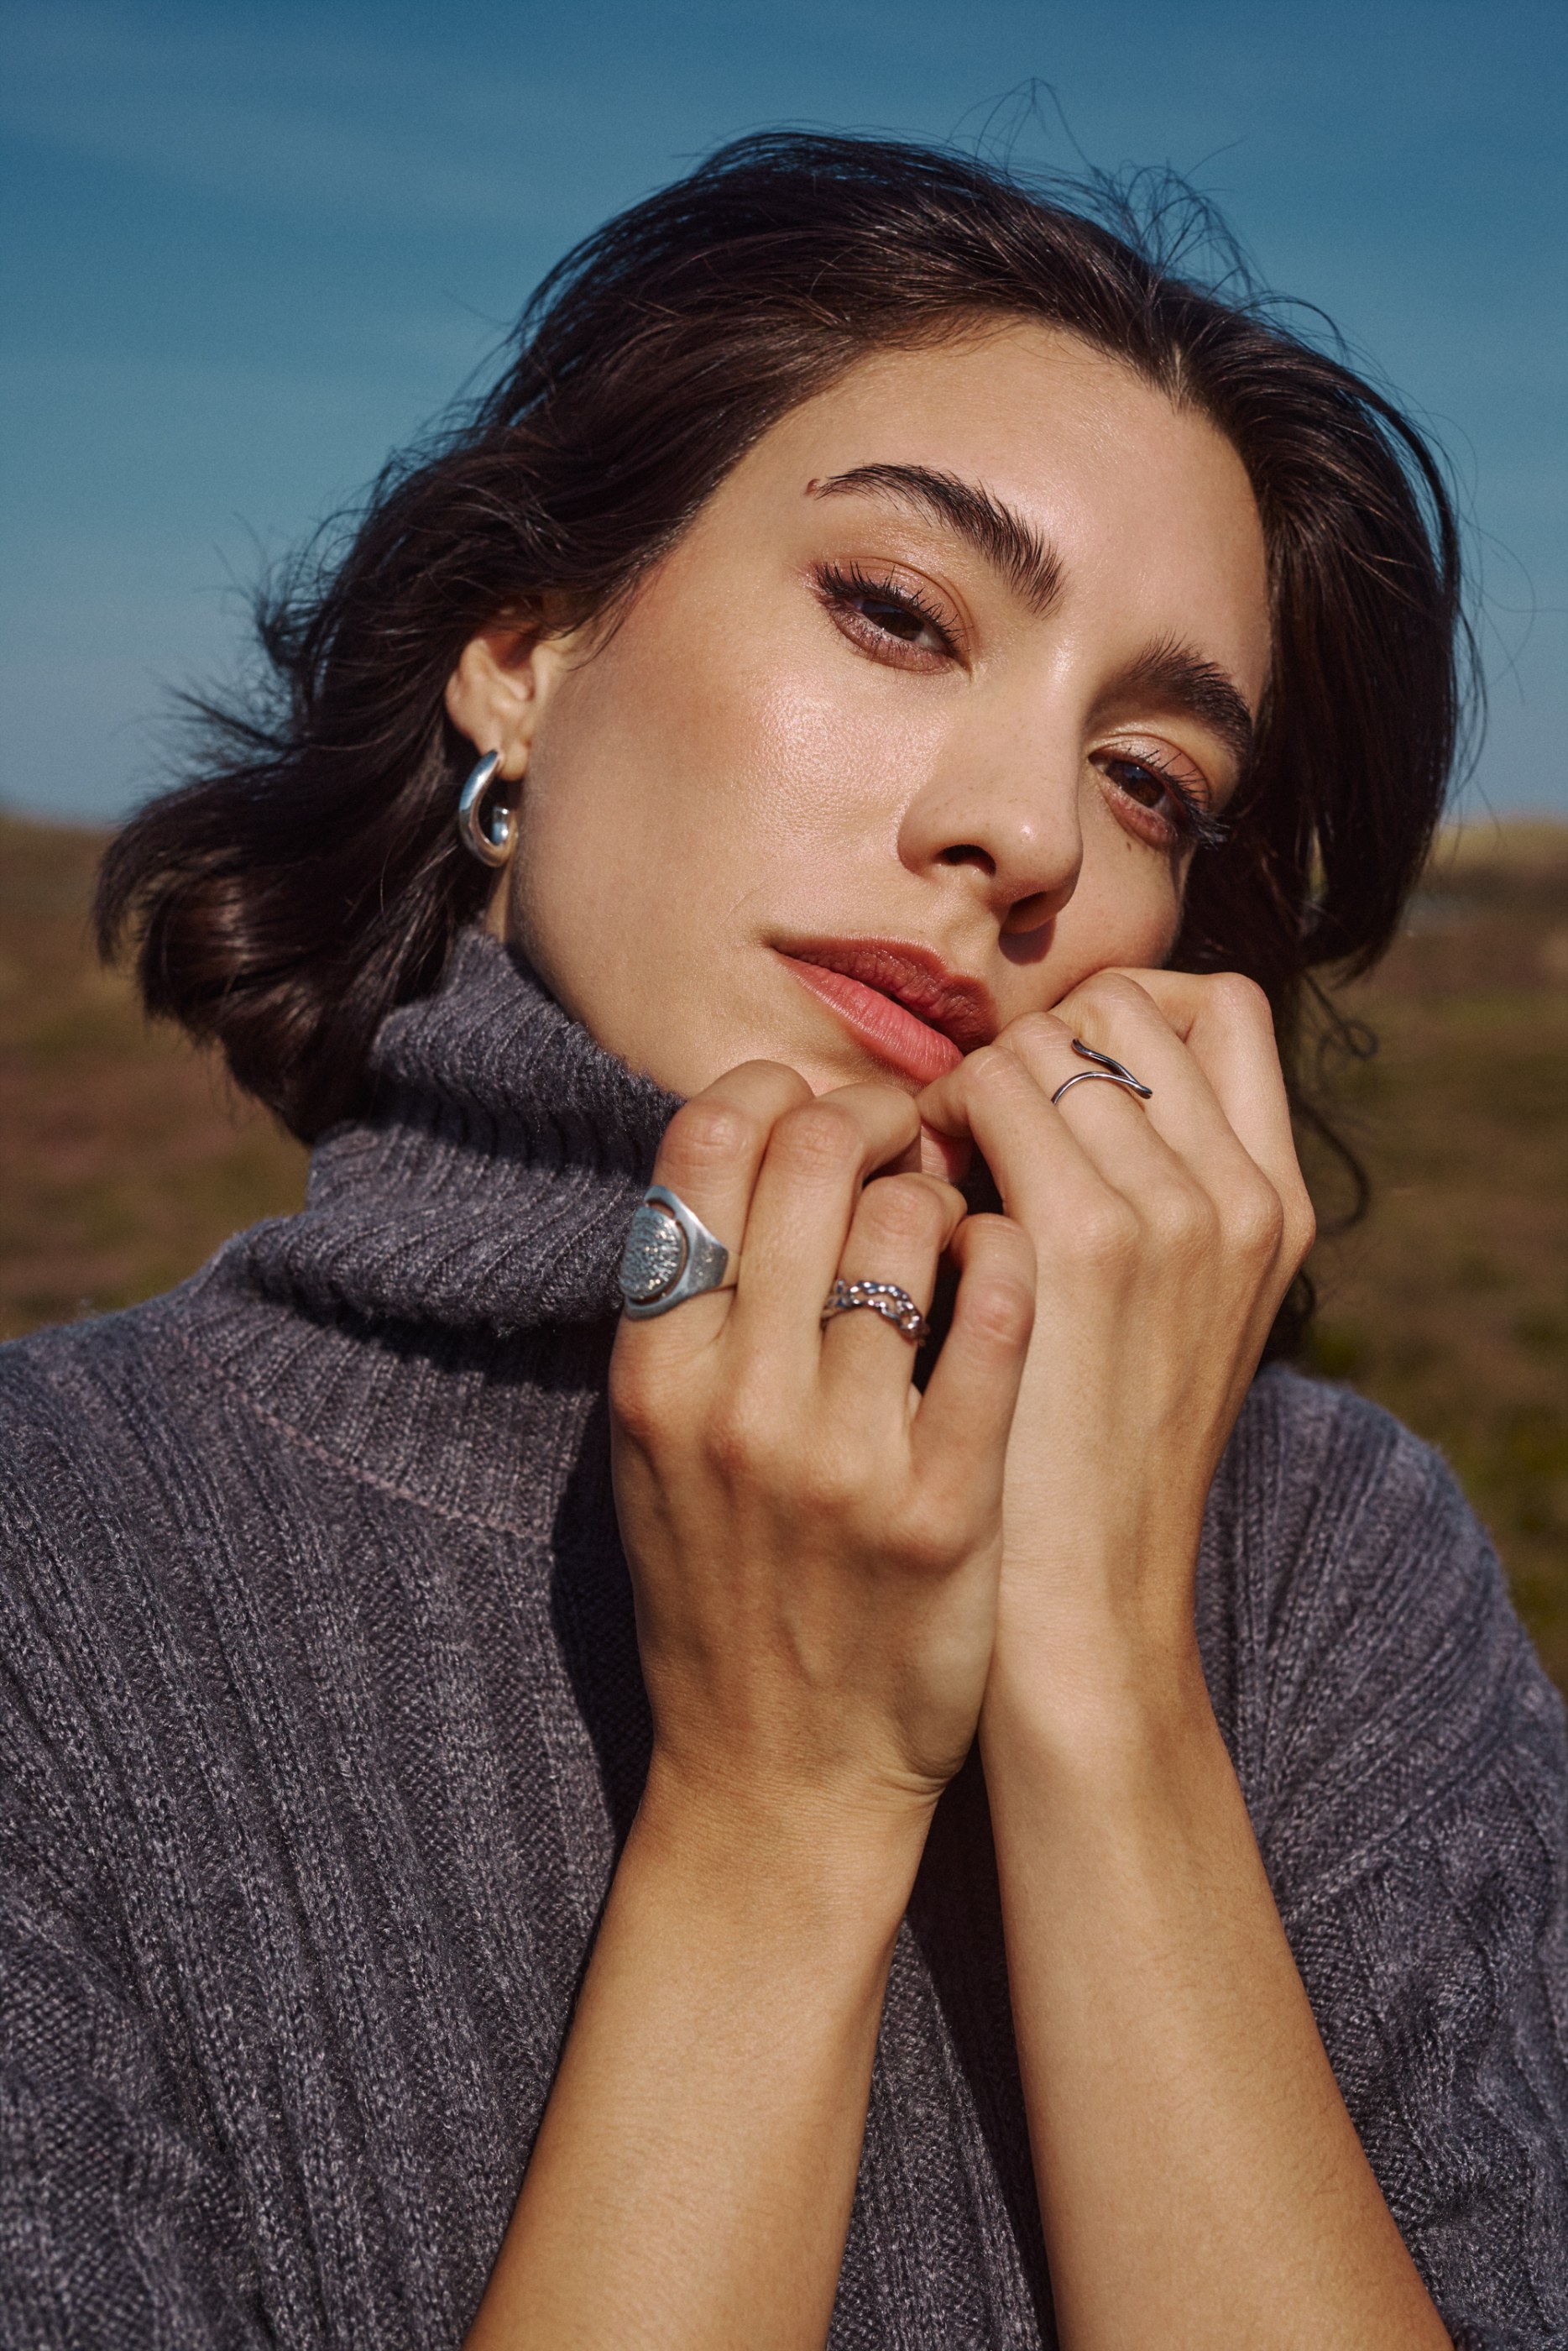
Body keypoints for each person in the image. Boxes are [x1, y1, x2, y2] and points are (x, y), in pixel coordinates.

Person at [1, 131, 1564, 2351]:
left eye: (1146, 780)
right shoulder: (52, 1571)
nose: (1020, 830)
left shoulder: (1328, 1569)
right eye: (898, 613)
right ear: (521, 651)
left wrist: (1110, 1689)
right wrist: (777, 1823)